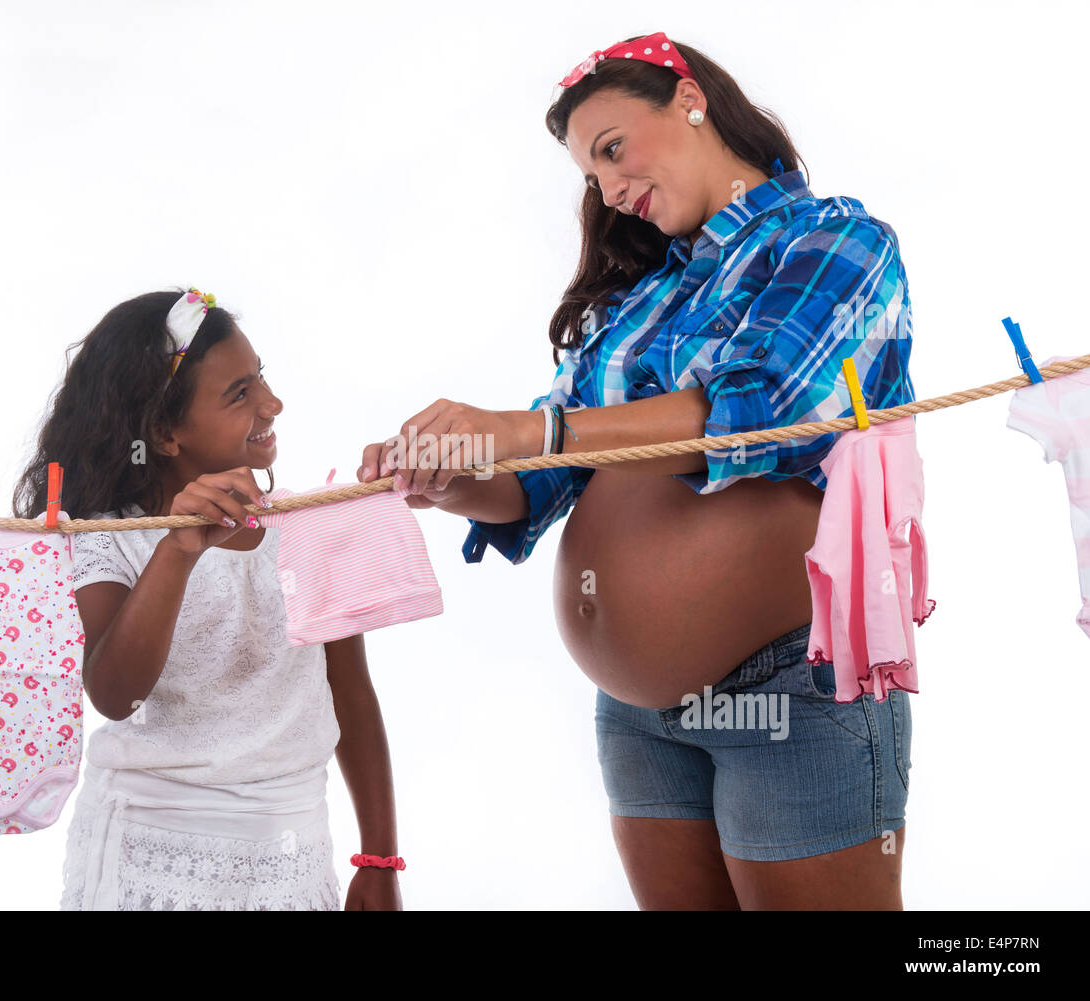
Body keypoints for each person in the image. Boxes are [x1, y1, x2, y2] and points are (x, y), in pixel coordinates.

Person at [358, 33, 915, 910]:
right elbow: (542, 481)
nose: (611, 189)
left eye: (613, 149)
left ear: (690, 100)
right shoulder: (641, 299)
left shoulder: (835, 240)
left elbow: (767, 406)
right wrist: (452, 473)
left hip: (789, 690)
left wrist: (527, 429)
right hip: (639, 718)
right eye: (593, 176)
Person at [14, 288, 403, 910]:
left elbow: (350, 694)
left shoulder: (308, 526)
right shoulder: (108, 538)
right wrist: (178, 549)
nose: (272, 403)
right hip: (148, 859)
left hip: (292, 854)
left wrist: (379, 859)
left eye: (261, 377)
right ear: (164, 433)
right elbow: (115, 695)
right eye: (240, 393)